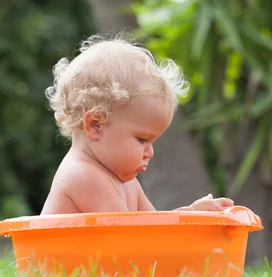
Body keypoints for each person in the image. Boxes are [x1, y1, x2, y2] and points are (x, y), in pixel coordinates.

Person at [40, 33, 234, 215]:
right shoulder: (83, 176)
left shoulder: (126, 182)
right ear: (95, 125)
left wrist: (190, 215)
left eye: (152, 142)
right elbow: (134, 240)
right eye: (142, 139)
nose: (150, 152)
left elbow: (152, 227)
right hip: (54, 254)